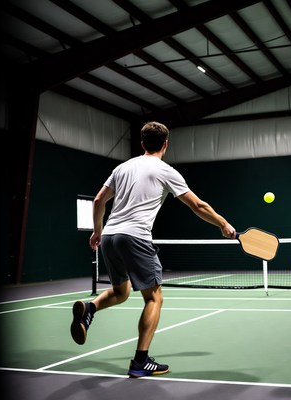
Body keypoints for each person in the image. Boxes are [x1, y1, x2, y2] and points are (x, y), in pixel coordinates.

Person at [70, 121, 236, 378]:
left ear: (142, 143)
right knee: (154, 298)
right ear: (165, 144)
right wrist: (223, 224)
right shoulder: (166, 170)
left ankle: (89, 309)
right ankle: (140, 362)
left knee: (121, 291)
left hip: (111, 236)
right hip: (135, 237)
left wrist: (98, 231)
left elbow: (99, 200)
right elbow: (198, 206)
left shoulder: (122, 167)